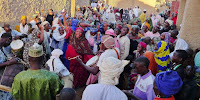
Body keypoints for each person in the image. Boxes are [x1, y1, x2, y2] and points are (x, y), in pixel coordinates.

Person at [63, 13, 94, 88]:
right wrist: (63, 17)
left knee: (78, 76)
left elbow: (88, 52)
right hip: (71, 61)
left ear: (83, 34)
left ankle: (77, 86)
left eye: (80, 32)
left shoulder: (84, 42)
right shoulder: (72, 37)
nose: (78, 33)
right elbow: (66, 27)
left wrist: (94, 60)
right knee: (70, 74)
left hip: (79, 63)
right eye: (77, 31)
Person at [0, 33, 20, 100]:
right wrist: (9, 62)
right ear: (7, 39)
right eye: (10, 42)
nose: (9, 45)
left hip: (3, 80)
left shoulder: (1, 48)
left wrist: (11, 58)